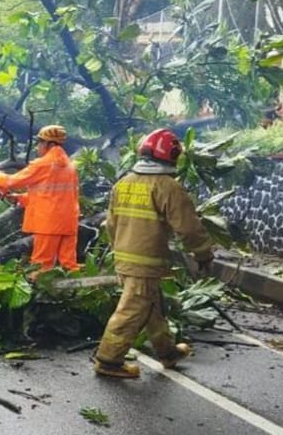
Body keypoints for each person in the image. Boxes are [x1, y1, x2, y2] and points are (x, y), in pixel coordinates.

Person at [93, 128, 214, 379]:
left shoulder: (123, 183)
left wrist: (120, 252)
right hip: (146, 262)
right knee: (131, 311)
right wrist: (203, 254)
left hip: (124, 258)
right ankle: (108, 360)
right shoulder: (168, 187)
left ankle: (167, 352)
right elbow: (188, 227)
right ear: (171, 156)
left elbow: (111, 224)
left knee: (152, 307)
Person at [0, 124, 80, 273]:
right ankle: (78, 286)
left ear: (50, 144)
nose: (38, 146)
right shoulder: (69, 166)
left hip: (49, 223)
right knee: (69, 265)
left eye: (40, 142)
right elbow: (56, 195)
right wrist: (20, 198)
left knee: (41, 266)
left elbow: (11, 182)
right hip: (68, 221)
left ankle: (39, 286)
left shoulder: (43, 164)